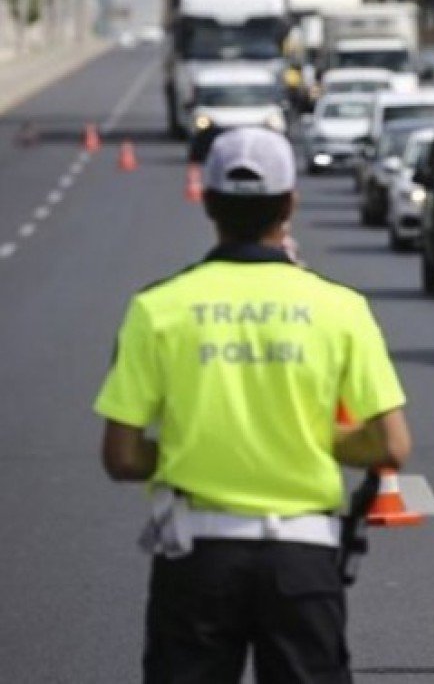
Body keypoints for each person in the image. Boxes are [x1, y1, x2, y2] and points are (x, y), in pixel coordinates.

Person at [94, 126, 411, 683]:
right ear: (290, 202)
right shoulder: (340, 309)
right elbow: (391, 444)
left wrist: (192, 448)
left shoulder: (157, 309)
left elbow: (120, 456)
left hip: (196, 558)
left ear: (209, 201)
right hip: (302, 559)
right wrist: (314, 440)